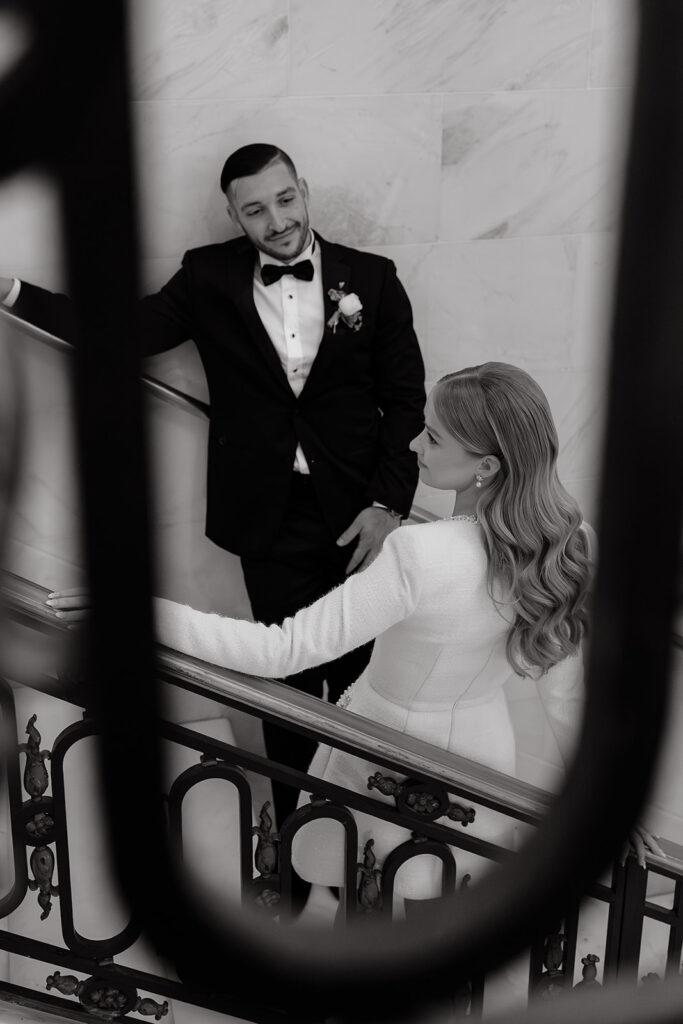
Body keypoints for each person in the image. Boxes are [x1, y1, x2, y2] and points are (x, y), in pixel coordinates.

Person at [0, 142, 426, 827]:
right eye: (254, 209)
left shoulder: (371, 280)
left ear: (304, 190)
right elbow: (120, 335)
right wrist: (15, 294)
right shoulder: (208, 277)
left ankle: (359, 839)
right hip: (267, 517)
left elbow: (405, 401)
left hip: (358, 515)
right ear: (233, 213)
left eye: (285, 199)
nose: (276, 220)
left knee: (358, 686)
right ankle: (293, 840)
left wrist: (386, 505)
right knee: (287, 686)